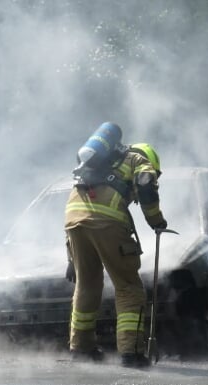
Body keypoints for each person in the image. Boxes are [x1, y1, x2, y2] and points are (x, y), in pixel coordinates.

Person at [65, 123, 167, 368]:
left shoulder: (102, 162)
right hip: (107, 223)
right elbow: (145, 182)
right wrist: (157, 221)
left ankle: (81, 349)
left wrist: (71, 259)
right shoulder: (137, 160)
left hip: (72, 220)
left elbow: (81, 212)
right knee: (129, 287)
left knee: (87, 285)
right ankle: (131, 352)